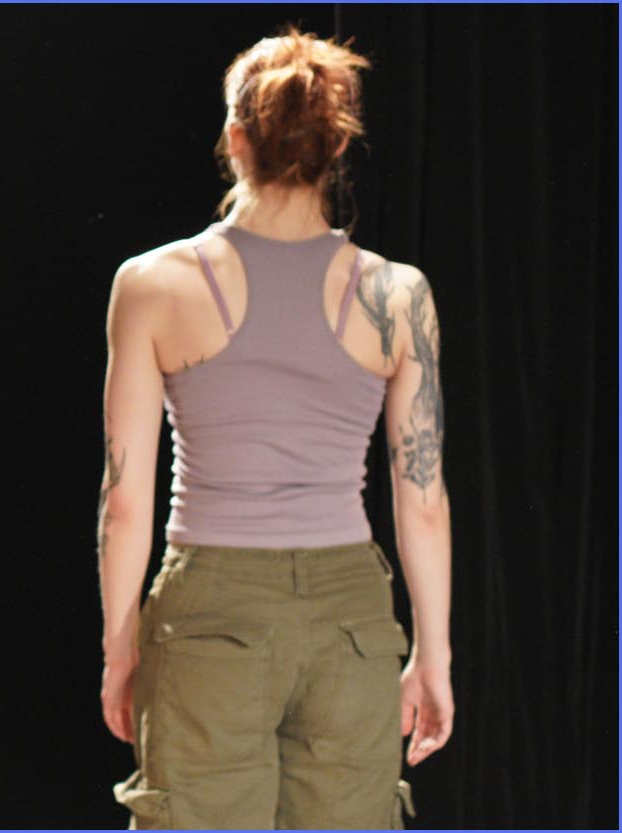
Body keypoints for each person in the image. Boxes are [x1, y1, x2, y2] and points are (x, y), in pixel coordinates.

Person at [96, 29, 453, 829]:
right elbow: (422, 500)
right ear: (337, 148)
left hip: (209, 616)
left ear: (235, 139)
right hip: (350, 621)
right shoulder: (399, 295)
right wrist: (433, 655)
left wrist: (121, 650)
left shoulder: (153, 284)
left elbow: (124, 500)